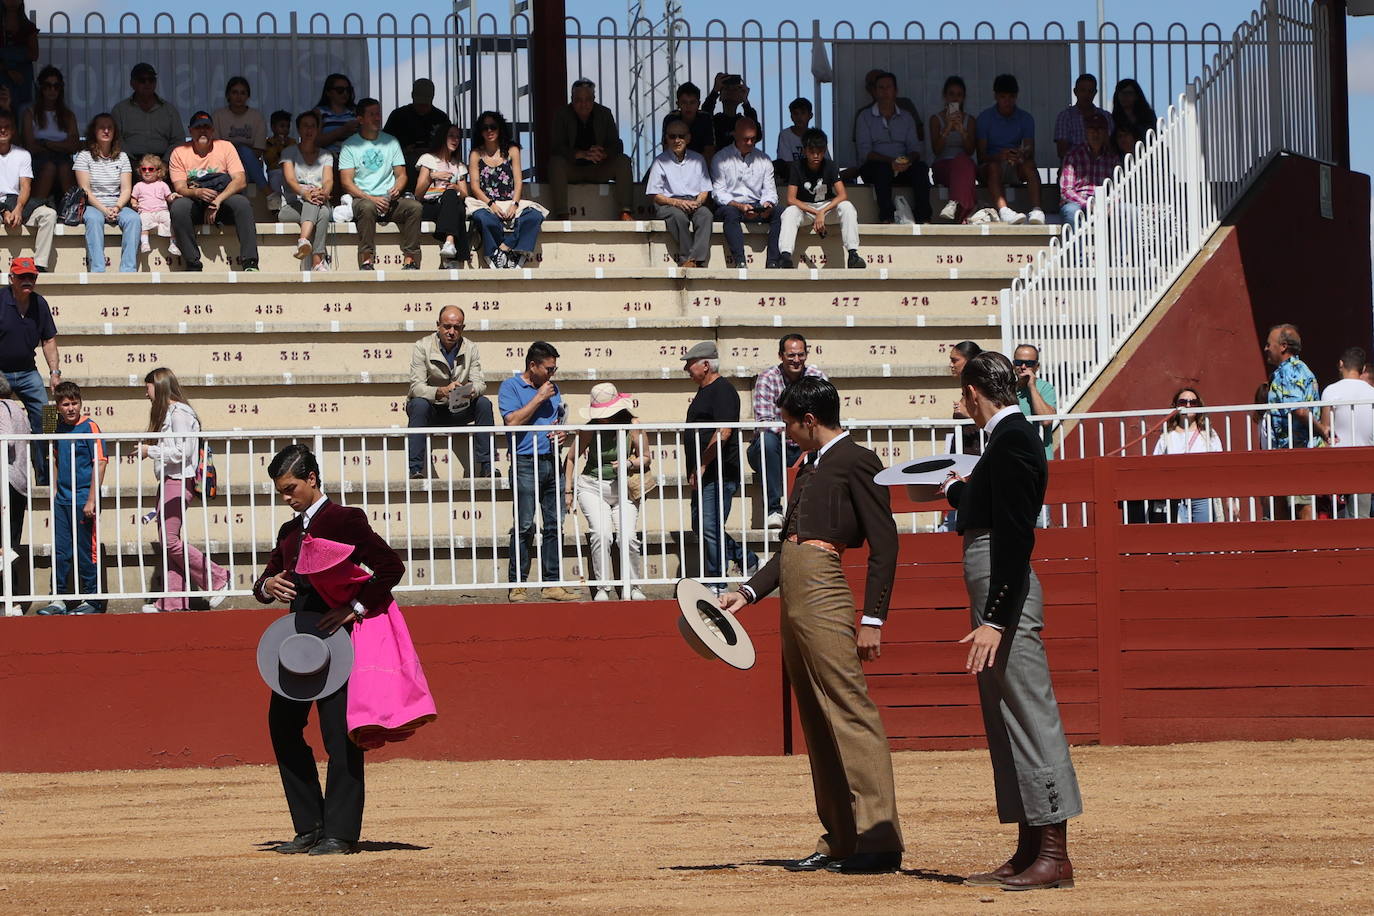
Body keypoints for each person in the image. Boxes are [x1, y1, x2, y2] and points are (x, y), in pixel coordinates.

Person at [719, 376, 903, 875]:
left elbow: (885, 544)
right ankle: (842, 838)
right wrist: (749, 591)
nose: (785, 431)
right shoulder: (809, 468)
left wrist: (872, 617)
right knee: (817, 718)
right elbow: (789, 548)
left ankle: (879, 838)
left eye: (787, 423)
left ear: (810, 420)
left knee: (847, 706)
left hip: (824, 591)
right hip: (796, 592)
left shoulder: (858, 460)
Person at [942, 351, 1082, 891]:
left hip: (1004, 585)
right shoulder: (1008, 439)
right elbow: (991, 505)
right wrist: (956, 490)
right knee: (1006, 713)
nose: (963, 402)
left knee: (1028, 709)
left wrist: (996, 619)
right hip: (993, 577)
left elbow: (1018, 533)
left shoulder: (1016, 437)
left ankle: (1054, 854)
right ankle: (1029, 849)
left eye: (963, 393)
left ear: (976, 391)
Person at [253, 444, 405, 856]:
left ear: (312, 479)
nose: (286, 497)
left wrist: (353, 608)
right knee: (282, 728)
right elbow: (266, 580)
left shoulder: (345, 520)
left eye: (291, 488)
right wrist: (266, 587)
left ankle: (340, 833)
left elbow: (391, 566)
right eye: (281, 491)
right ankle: (310, 827)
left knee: (339, 737)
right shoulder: (288, 532)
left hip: (338, 644)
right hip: (296, 644)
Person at [138, 367, 230, 613]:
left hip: (179, 480)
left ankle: (218, 577)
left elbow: (183, 452)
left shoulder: (179, 413)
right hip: (170, 480)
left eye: (147, 388)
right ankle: (173, 601)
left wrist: (151, 451)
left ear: (158, 386)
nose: (146, 394)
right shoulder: (173, 413)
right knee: (170, 541)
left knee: (168, 541)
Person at [498, 341, 578, 603]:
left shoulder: (554, 389)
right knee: (523, 525)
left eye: (554, 369)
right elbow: (512, 422)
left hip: (551, 460)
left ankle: (552, 583)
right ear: (532, 365)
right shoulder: (510, 386)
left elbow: (557, 419)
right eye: (548, 368)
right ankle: (518, 585)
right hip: (524, 461)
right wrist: (539, 397)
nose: (552, 374)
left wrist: (562, 433)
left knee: (555, 524)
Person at [562, 382, 650, 602]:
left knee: (627, 537)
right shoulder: (589, 428)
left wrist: (629, 464)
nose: (603, 417)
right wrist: (568, 490)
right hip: (592, 486)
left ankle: (632, 585)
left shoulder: (633, 424)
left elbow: (647, 457)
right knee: (601, 534)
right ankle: (603, 587)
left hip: (624, 489)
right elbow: (571, 458)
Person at [682, 340, 757, 585]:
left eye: (690, 364)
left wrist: (703, 465)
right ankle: (744, 557)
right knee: (700, 524)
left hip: (718, 473)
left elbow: (723, 432)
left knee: (709, 526)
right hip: (705, 473)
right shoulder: (705, 391)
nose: (686, 370)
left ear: (706, 365)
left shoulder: (723, 390)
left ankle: (717, 581)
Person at [37, 380, 107, 616]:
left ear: (80, 403)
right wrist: (55, 492)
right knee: (61, 551)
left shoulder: (90, 426)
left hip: (84, 499)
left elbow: (100, 463)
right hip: (63, 499)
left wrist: (91, 500)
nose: (70, 408)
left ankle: (93, 599)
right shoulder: (56, 425)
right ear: (58, 406)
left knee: (87, 550)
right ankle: (58, 598)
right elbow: (51, 452)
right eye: (65, 404)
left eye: (74, 403)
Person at [748, 333, 827, 528]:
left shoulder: (817, 377)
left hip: (805, 445)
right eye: (791, 355)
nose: (796, 360)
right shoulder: (767, 378)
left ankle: (815, 510)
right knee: (767, 440)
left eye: (800, 354)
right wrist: (798, 429)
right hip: (775, 446)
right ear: (781, 355)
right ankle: (774, 509)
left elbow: (826, 415)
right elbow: (764, 422)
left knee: (828, 444)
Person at [406, 305, 494, 480]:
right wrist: (441, 391)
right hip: (430, 409)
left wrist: (470, 391)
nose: (452, 331)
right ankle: (415, 468)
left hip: (458, 407)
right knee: (418, 404)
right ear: (438, 325)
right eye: (447, 326)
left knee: (484, 403)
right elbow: (416, 387)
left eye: (457, 327)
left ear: (463, 328)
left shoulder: (471, 348)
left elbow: (480, 383)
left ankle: (487, 466)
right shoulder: (422, 346)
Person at [169, 112, 258, 272]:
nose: (202, 131)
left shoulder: (226, 146)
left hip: (222, 200)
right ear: (190, 131)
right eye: (198, 128)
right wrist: (197, 193)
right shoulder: (179, 152)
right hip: (195, 200)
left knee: (242, 204)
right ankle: (193, 263)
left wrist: (218, 201)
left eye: (206, 127)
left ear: (213, 130)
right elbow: (180, 188)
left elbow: (240, 180)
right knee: (178, 207)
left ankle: (250, 263)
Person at [339, 98, 422, 271]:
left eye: (378, 113)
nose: (377, 118)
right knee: (368, 207)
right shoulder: (349, 146)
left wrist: (397, 189)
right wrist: (371, 198)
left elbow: (401, 175)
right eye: (372, 114)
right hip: (363, 199)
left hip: (389, 200)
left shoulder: (391, 141)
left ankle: (410, 260)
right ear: (360, 119)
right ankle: (366, 260)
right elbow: (346, 182)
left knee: (415, 207)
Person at [0, 258, 56, 484]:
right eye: (22, 276)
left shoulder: (40, 303)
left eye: (31, 277)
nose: (27, 281)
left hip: (27, 371)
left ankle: (44, 478)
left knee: (48, 418)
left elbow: (49, 340)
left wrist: (55, 372)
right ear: (11, 278)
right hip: (0, 372)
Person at [549, 79, 634, 221]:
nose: (583, 104)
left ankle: (625, 211)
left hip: (599, 168)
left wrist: (603, 153)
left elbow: (617, 145)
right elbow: (556, 147)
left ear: (594, 99)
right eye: (578, 100)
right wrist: (580, 154)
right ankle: (562, 213)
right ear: (572, 100)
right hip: (572, 169)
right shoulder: (562, 115)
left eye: (588, 100)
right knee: (555, 163)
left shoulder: (605, 114)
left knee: (623, 160)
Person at [777, 128, 862, 270]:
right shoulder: (797, 167)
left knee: (847, 207)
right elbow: (791, 199)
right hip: (805, 209)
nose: (816, 155)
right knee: (789, 212)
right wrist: (816, 213)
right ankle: (785, 256)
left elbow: (842, 195)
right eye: (812, 152)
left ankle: (853, 254)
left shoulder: (830, 165)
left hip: (826, 208)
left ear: (824, 151)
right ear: (804, 151)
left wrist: (822, 212)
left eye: (820, 152)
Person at [1263, 324, 1325, 519]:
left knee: (1301, 504)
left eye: (1268, 344)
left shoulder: (1291, 371)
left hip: (1295, 448)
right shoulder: (1288, 370)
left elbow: (1298, 409)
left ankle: (1308, 546)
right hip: (1288, 448)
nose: (1266, 348)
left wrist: (1322, 429)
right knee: (1284, 503)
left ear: (1282, 347)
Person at [468, 110, 544, 269]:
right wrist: (491, 204)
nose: (489, 131)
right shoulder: (476, 154)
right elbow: (474, 186)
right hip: (486, 203)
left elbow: (518, 181)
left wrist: (514, 204)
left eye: (493, 127)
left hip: (511, 202)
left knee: (535, 216)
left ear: (500, 128)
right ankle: (496, 253)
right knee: (482, 218)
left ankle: (505, 248)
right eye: (485, 128)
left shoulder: (512, 150)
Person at [856, 71, 930, 224]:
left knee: (921, 169)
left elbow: (915, 148)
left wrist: (907, 160)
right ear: (875, 92)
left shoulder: (907, 117)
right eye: (880, 88)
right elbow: (865, 153)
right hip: (876, 166)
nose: (884, 91)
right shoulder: (864, 116)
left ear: (896, 91)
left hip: (903, 165)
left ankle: (924, 217)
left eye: (888, 87)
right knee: (882, 170)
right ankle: (887, 218)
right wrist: (891, 161)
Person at [72, 113, 140, 273]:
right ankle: (98, 270)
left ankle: (128, 270)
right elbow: (85, 190)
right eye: (101, 127)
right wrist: (104, 210)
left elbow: (126, 189)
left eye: (110, 127)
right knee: (94, 220)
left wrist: (117, 207)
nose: (106, 131)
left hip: (117, 204)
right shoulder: (84, 156)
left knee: (134, 219)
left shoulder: (123, 157)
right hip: (94, 204)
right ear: (93, 131)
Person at [711, 117, 781, 270]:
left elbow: (770, 191)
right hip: (732, 206)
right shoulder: (720, 158)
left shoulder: (764, 159)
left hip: (757, 205)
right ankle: (740, 261)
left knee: (780, 212)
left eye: (753, 139)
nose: (750, 143)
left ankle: (774, 262)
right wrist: (739, 206)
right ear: (735, 135)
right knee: (730, 214)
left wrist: (766, 205)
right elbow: (718, 193)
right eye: (746, 139)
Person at [976, 74, 1045, 226]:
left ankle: (1037, 210)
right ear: (995, 96)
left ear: (1017, 96)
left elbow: (1030, 150)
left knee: (1029, 165)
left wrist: (1021, 154)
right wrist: (999, 156)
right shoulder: (984, 118)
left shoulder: (1026, 118)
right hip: (991, 168)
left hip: (1015, 166)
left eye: (1011, 97)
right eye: (1003, 97)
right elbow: (981, 156)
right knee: (993, 167)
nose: (1007, 101)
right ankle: (1004, 210)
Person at [644, 119, 713, 268]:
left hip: (693, 201)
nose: (677, 140)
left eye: (681, 136)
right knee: (678, 217)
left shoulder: (698, 160)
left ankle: (695, 259)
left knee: (706, 215)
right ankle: (687, 259)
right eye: (672, 136)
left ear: (688, 138)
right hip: (668, 203)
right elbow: (654, 194)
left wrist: (698, 202)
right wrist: (677, 203)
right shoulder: (659, 161)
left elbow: (705, 189)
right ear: (666, 139)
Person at [1152, 388, 1224, 523]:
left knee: (1204, 538)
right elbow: (1156, 465)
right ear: (1176, 406)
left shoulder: (1208, 434)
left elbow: (1221, 464)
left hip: (1203, 495)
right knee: (1180, 539)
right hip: (1176, 497)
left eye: (1193, 402)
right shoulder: (1166, 437)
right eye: (1183, 402)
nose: (1188, 405)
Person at [1320, 347, 1374, 518]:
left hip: (1338, 458)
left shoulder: (1331, 390)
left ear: (1341, 364)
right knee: (1361, 515)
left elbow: (1325, 427)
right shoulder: (1372, 393)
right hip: (1366, 458)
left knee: (1336, 514)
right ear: (1363, 369)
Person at [0, 110, 56, 272]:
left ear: (13, 130)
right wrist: (4, 211)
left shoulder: (22, 154)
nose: (3, 130)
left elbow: (25, 186)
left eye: (7, 127)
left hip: (16, 202)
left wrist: (18, 208)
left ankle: (39, 264)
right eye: (0, 127)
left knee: (49, 215)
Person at [278, 110, 333, 272]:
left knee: (321, 210)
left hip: (317, 202)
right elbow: (290, 180)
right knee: (316, 205)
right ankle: (316, 259)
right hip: (291, 206)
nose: (309, 130)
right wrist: (305, 194)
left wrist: (324, 192)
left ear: (317, 130)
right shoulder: (288, 152)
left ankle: (308, 247)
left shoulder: (325, 155)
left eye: (313, 126)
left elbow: (328, 181)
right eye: (305, 126)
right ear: (299, 130)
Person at [21, 66, 78, 205]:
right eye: (47, 86)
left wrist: (47, 143)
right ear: (41, 88)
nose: (52, 90)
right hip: (38, 159)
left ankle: (70, 210)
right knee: (50, 167)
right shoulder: (30, 113)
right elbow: (30, 146)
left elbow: (74, 145)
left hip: (63, 158)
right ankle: (34, 208)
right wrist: (60, 146)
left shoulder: (67, 115)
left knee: (65, 167)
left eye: (56, 86)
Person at [414, 124, 469, 267]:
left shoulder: (459, 165)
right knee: (457, 210)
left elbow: (464, 194)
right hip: (430, 205)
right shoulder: (428, 159)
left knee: (456, 204)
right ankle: (454, 254)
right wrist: (433, 176)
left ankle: (450, 247)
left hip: (449, 205)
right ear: (442, 137)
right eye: (451, 136)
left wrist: (456, 187)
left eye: (458, 137)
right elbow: (418, 194)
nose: (455, 140)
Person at [929, 75, 980, 224]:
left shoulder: (969, 120)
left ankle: (954, 203)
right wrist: (947, 129)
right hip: (943, 166)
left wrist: (962, 130)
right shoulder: (935, 119)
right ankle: (965, 212)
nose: (955, 98)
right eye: (951, 94)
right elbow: (936, 150)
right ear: (945, 96)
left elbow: (970, 150)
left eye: (959, 95)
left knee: (964, 160)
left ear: (963, 98)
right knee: (962, 162)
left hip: (963, 165)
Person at [384, 77, 452, 183]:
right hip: (404, 166)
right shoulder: (398, 116)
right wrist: (404, 151)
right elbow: (384, 146)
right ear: (412, 96)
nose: (422, 108)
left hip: (434, 165)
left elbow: (450, 146)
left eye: (425, 104)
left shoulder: (441, 118)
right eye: (419, 104)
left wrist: (431, 152)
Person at [1058, 111, 1119, 228]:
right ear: (1085, 132)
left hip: (1105, 204)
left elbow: (1119, 188)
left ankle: (1122, 247)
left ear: (1106, 133)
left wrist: (1112, 204)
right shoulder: (1073, 155)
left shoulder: (1113, 158)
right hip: (1078, 202)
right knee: (1071, 211)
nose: (1095, 133)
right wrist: (1088, 205)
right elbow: (1066, 191)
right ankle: (1076, 247)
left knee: (1128, 210)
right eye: (1091, 128)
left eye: (1100, 128)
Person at [112, 63, 183, 163]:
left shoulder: (169, 110)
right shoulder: (120, 110)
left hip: (163, 162)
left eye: (151, 80)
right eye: (142, 80)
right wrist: (129, 162)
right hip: (129, 164)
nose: (147, 83)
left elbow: (178, 140)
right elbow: (116, 139)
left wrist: (165, 162)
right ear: (132, 83)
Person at [0, 372, 27, 616]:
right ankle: (13, 599)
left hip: (5, 481)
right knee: (10, 544)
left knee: (4, 545)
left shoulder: (0, 408)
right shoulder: (17, 408)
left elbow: (6, 441)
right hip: (18, 483)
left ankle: (9, 599)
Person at [211, 76, 268, 189]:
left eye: (242, 93)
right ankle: (267, 191)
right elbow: (216, 149)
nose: (238, 97)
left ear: (248, 96)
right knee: (242, 156)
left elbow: (258, 151)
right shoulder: (218, 116)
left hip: (249, 163)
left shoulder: (256, 117)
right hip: (225, 163)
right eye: (234, 92)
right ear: (228, 95)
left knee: (244, 153)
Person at [1053, 74, 1114, 160]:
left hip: (1103, 167)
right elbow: (1062, 152)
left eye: (1090, 91)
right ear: (1075, 92)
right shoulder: (1065, 117)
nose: (1086, 94)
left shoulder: (1106, 116)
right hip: (1074, 167)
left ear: (1095, 93)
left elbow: (1111, 148)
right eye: (1083, 90)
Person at [1013, 344, 1057, 459]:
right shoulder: (1007, 389)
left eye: (1029, 364)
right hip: (1015, 456)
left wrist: (1032, 386)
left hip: (1040, 458)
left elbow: (1046, 421)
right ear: (1013, 365)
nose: (1023, 367)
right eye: (1019, 362)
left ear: (1037, 367)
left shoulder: (1045, 388)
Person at [131, 154, 179, 257]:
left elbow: (168, 197)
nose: (147, 171)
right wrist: (134, 204)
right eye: (144, 169)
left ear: (158, 171)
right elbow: (133, 198)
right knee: (142, 222)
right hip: (145, 211)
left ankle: (173, 244)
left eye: (150, 169)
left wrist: (173, 196)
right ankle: (144, 243)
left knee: (171, 222)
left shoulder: (162, 184)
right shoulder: (138, 186)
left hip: (161, 211)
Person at [703, 72, 759, 152]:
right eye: (726, 88)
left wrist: (745, 101)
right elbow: (704, 116)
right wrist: (715, 91)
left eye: (735, 89)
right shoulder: (715, 121)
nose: (730, 92)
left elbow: (757, 134)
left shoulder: (743, 123)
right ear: (720, 97)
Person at [0, 0, 37, 111]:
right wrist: (9, 70)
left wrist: (5, 53)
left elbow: (34, 54)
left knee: (23, 114)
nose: (12, 1)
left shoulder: (28, 27)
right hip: (2, 78)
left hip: (23, 80)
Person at [662, 81, 715, 160]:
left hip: (700, 165)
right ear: (678, 104)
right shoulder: (670, 119)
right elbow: (667, 151)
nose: (688, 106)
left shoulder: (705, 119)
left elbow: (709, 152)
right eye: (684, 102)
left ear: (698, 104)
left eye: (692, 102)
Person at [313, 73, 359, 156]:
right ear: (328, 92)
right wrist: (344, 129)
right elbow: (316, 142)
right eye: (340, 90)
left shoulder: (355, 112)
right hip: (327, 160)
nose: (345, 93)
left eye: (348, 90)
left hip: (353, 159)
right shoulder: (319, 112)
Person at [773, 97, 812, 181]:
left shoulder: (815, 136)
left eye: (803, 113)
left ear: (810, 116)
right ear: (791, 117)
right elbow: (786, 164)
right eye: (796, 114)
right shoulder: (785, 135)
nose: (799, 117)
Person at [264, 109, 294, 208]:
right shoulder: (268, 142)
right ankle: (276, 205)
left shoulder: (292, 142)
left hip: (290, 171)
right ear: (273, 127)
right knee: (275, 179)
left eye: (287, 126)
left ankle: (291, 203)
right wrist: (278, 146)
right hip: (274, 171)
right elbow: (269, 159)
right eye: (282, 126)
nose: (285, 129)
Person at [1111, 78, 1157, 144]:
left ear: (1136, 96)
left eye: (1129, 93)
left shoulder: (1149, 116)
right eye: (1121, 93)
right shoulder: (1113, 119)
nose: (1125, 96)